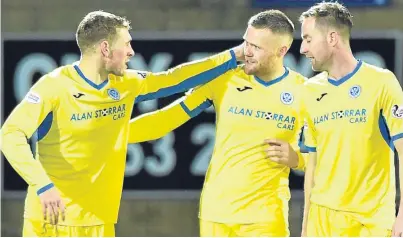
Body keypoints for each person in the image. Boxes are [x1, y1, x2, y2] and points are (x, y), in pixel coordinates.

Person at [0, 10, 242, 237]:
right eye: (126, 44)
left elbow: (173, 80)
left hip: (100, 222)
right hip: (51, 220)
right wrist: (43, 185)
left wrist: (234, 57)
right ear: (105, 48)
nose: (131, 52)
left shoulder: (125, 83)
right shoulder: (54, 86)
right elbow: (10, 134)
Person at [127, 10, 307, 237]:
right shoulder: (224, 79)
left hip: (266, 217)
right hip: (216, 214)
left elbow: (330, 156)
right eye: (246, 42)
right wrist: (109, 134)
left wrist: (298, 159)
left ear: (282, 50)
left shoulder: (305, 91)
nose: (247, 52)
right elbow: (165, 118)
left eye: (257, 48)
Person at [299, 2, 403, 237]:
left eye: (308, 39)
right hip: (322, 225)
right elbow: (312, 166)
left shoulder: (382, 82)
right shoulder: (309, 91)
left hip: (371, 224)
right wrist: (306, 227)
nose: (303, 48)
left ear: (332, 38)